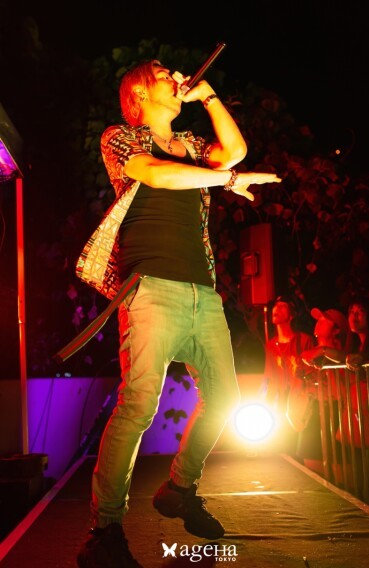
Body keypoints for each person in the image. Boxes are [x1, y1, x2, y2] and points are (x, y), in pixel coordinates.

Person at [75, 57, 282, 568]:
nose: (174, 77)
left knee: (226, 400)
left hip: (202, 292)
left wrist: (208, 96)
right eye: (162, 75)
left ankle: (180, 488)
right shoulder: (122, 138)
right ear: (139, 95)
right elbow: (157, 176)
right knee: (139, 406)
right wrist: (226, 181)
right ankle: (105, 530)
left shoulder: (190, 143)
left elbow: (234, 151)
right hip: (149, 288)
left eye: (175, 74)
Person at [298, 307, 349, 475]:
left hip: (338, 411)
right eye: (318, 320)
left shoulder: (344, 354)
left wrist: (324, 352)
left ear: (337, 330)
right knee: (313, 470)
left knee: (341, 469)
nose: (318, 323)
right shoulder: (308, 354)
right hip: (315, 410)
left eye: (324, 320)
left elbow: (342, 388)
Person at [261, 296, 314, 457]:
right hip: (281, 402)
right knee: (282, 451)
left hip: (301, 401)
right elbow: (270, 377)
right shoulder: (271, 344)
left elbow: (311, 374)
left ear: (292, 314)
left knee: (302, 450)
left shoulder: (304, 340)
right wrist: (265, 404)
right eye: (275, 306)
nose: (276, 309)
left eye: (282, 306)